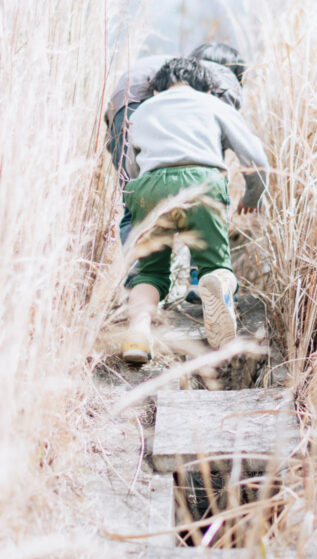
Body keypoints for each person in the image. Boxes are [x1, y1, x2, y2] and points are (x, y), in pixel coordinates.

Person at [118, 55, 268, 373]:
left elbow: (131, 166)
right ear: (206, 87)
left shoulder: (143, 110)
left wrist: (140, 199)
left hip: (149, 187)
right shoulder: (214, 105)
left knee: (150, 273)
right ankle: (214, 295)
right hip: (201, 183)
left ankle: (137, 336)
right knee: (215, 266)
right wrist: (254, 194)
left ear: (158, 88)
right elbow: (254, 157)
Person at [104, 42, 244, 172]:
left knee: (131, 191)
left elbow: (113, 140)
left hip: (124, 95)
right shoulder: (228, 82)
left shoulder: (172, 69)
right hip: (131, 95)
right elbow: (215, 158)